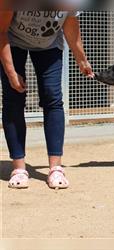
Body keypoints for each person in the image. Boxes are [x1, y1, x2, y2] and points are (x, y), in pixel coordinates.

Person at [0, 11, 94, 189]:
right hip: (12, 40)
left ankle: (56, 168)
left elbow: (70, 24)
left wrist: (81, 59)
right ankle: (19, 168)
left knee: (53, 97)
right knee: (13, 98)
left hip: (49, 43)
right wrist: (11, 73)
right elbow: (1, 30)